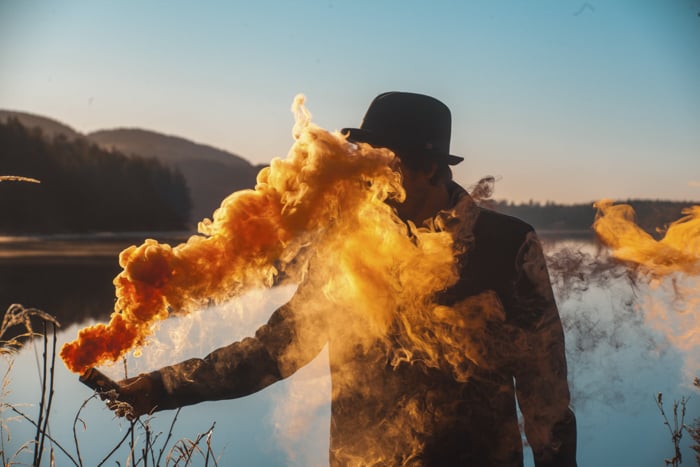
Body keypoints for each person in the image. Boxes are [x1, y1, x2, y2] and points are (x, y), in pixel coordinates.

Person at [109, 92, 577, 466]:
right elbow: (277, 349)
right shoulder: (344, 240)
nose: (365, 180)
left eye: (380, 165)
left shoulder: (506, 244)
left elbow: (545, 388)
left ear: (427, 167)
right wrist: (162, 388)